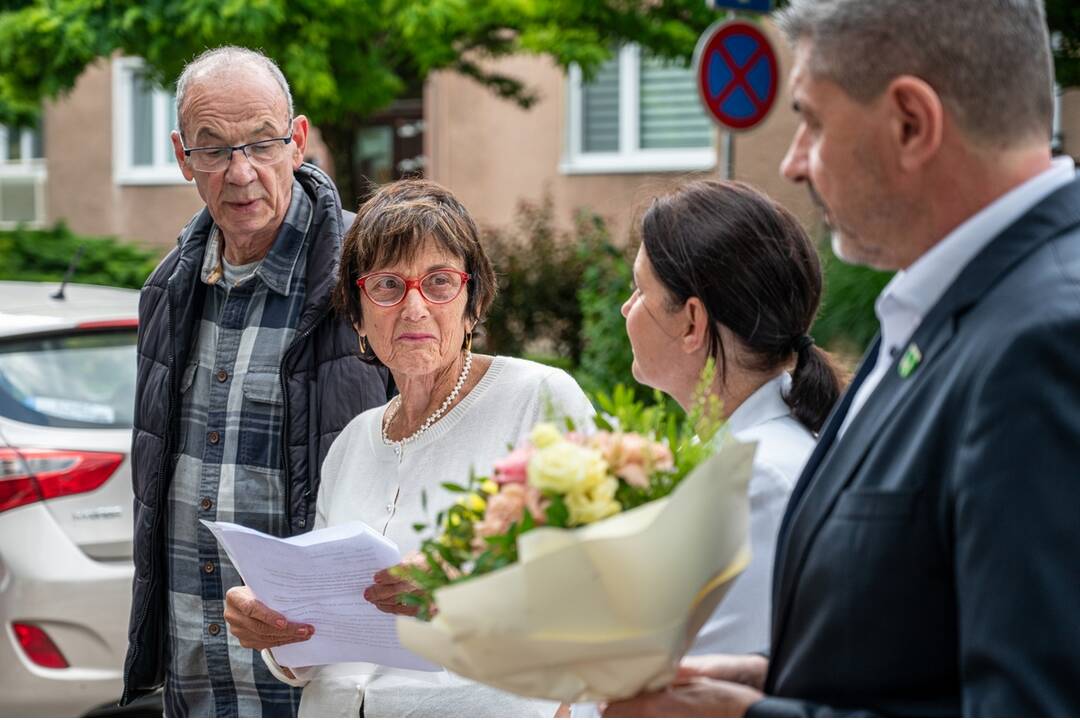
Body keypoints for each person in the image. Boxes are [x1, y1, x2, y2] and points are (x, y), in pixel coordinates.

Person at [605, 0, 1080, 716]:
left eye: (813, 121)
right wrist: (767, 679)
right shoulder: (948, 307)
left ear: (911, 123)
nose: (794, 161)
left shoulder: (1046, 335)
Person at [222, 179, 596, 717]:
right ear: (357, 313)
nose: (415, 308)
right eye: (389, 286)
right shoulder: (353, 442)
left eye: (440, 282)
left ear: (473, 303)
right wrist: (274, 629)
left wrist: (466, 583)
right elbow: (322, 635)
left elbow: (604, 579)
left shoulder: (536, 399)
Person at [120, 47, 394, 717]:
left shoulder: (373, 279)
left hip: (326, 680)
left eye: (261, 144)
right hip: (196, 682)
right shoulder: (166, 290)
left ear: (297, 141)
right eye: (212, 150)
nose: (239, 173)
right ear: (184, 158)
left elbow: (438, 462)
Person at [568, 180, 843, 719]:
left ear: (692, 321)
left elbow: (696, 684)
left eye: (639, 291)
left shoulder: (755, 478)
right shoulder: (734, 452)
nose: (627, 309)